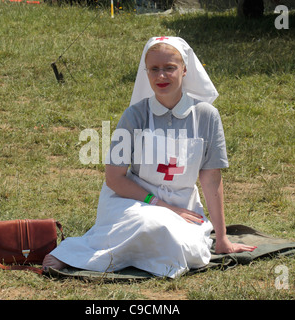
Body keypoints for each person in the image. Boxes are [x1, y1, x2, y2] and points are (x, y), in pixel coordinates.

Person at [43, 36, 256, 278]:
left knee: (185, 247)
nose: (161, 76)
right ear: (146, 72)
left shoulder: (207, 116)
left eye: (169, 68)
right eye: (154, 69)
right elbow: (114, 179)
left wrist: (222, 238)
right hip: (133, 202)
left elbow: (211, 179)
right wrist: (161, 206)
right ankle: (71, 253)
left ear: (185, 70)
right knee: (151, 224)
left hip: (182, 205)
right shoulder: (134, 115)